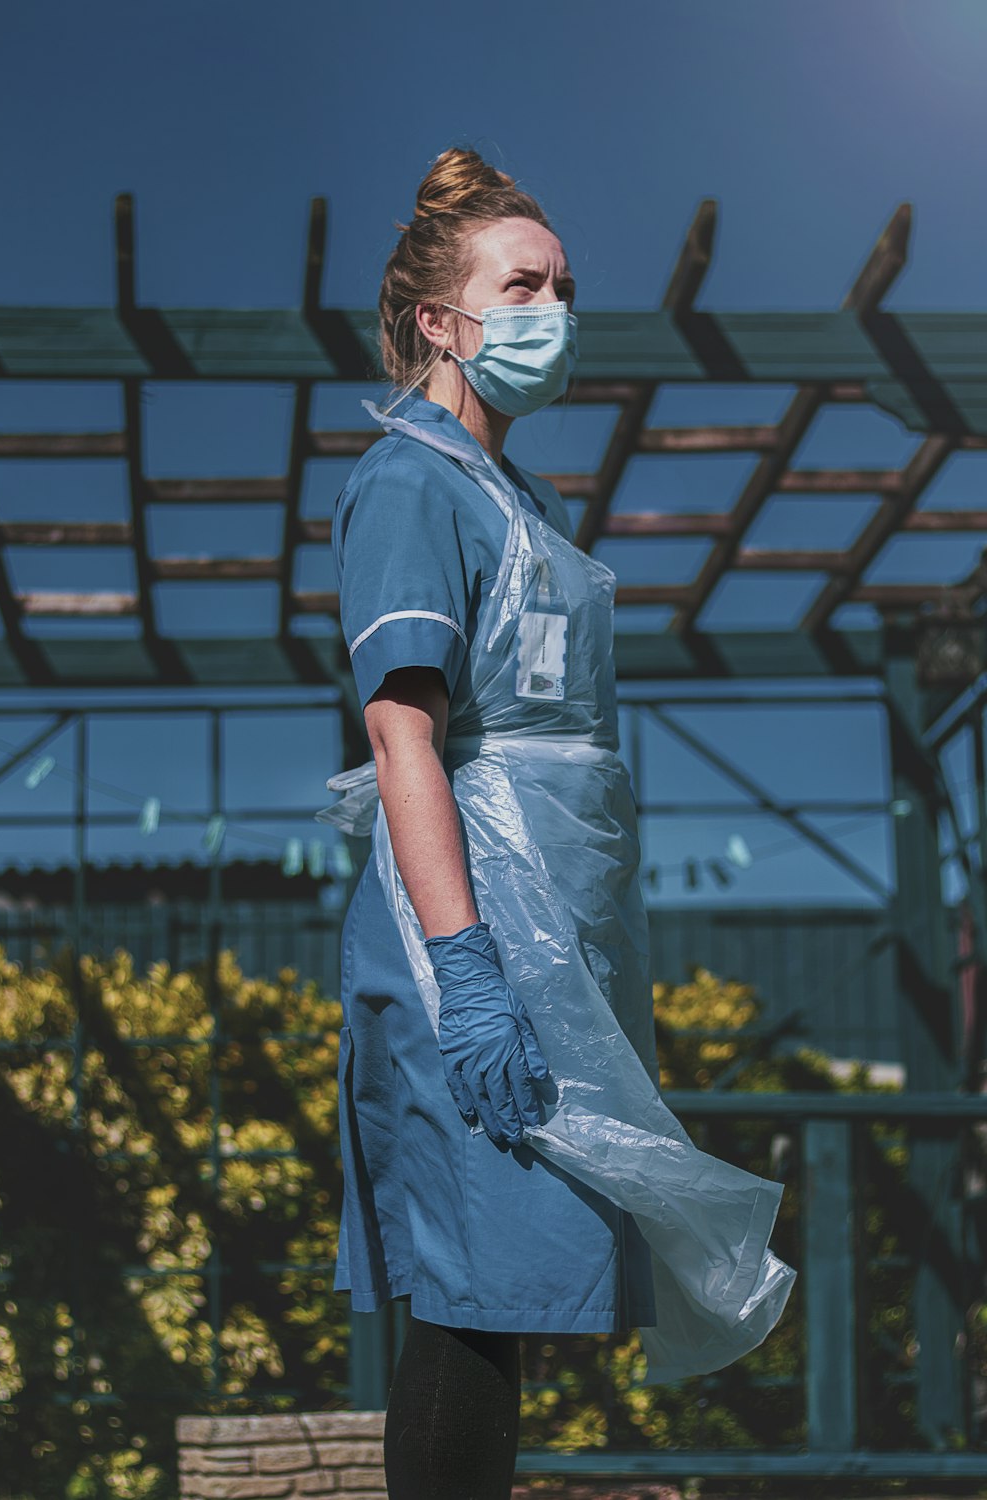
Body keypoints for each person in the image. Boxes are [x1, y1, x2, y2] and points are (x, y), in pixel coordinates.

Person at [325, 146, 794, 1500]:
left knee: (506, 1292)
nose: (555, 310)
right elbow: (403, 731)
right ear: (438, 319)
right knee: (469, 1299)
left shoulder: (510, 494)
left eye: (566, 287)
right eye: (523, 283)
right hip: (466, 934)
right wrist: (467, 970)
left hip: (550, 930)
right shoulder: (412, 481)